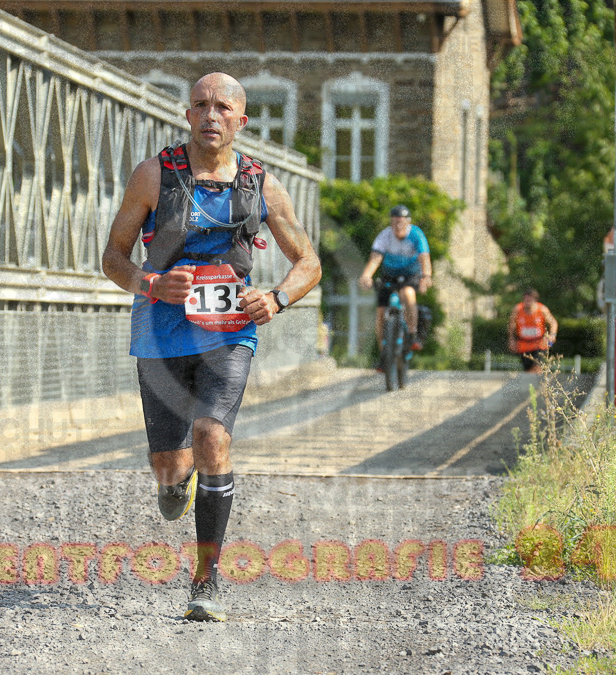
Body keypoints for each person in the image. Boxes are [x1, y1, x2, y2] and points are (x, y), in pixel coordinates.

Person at [102, 72, 321, 622]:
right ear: (187, 115)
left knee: (212, 435)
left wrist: (277, 299)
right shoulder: (154, 176)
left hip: (229, 333)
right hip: (161, 333)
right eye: (201, 105)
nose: (211, 115)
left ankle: (206, 578)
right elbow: (113, 256)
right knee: (170, 470)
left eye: (223, 107)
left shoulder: (262, 186)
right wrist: (151, 283)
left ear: (241, 121)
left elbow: (309, 263)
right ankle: (175, 486)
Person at [357, 205, 432, 355]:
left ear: (408, 222)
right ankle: (384, 354)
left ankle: (411, 334)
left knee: (407, 294)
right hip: (389, 275)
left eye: (401, 222)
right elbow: (375, 258)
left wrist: (426, 276)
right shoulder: (385, 236)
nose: (398, 226)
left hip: (410, 276)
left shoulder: (416, 235)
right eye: (394, 222)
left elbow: (424, 258)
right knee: (381, 313)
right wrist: (366, 276)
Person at [508, 288, 558, 373]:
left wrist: (552, 335)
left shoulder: (542, 310)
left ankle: (539, 384)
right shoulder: (517, 310)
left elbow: (553, 323)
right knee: (528, 371)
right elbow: (511, 325)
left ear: (535, 300)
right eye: (525, 300)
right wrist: (511, 339)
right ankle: (532, 385)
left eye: (530, 301)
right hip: (523, 345)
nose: (527, 303)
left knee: (537, 368)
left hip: (539, 344)